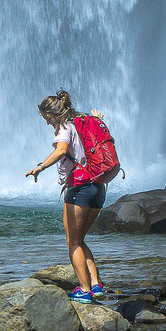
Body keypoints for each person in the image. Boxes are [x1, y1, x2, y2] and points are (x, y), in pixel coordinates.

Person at [26, 89, 108, 299]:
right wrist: (98, 119)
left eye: (47, 117)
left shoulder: (64, 128)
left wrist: (41, 167)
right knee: (80, 239)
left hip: (79, 188)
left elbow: (62, 150)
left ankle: (84, 290)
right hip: (98, 187)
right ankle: (96, 284)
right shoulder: (84, 123)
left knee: (73, 243)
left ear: (55, 114)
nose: (46, 122)